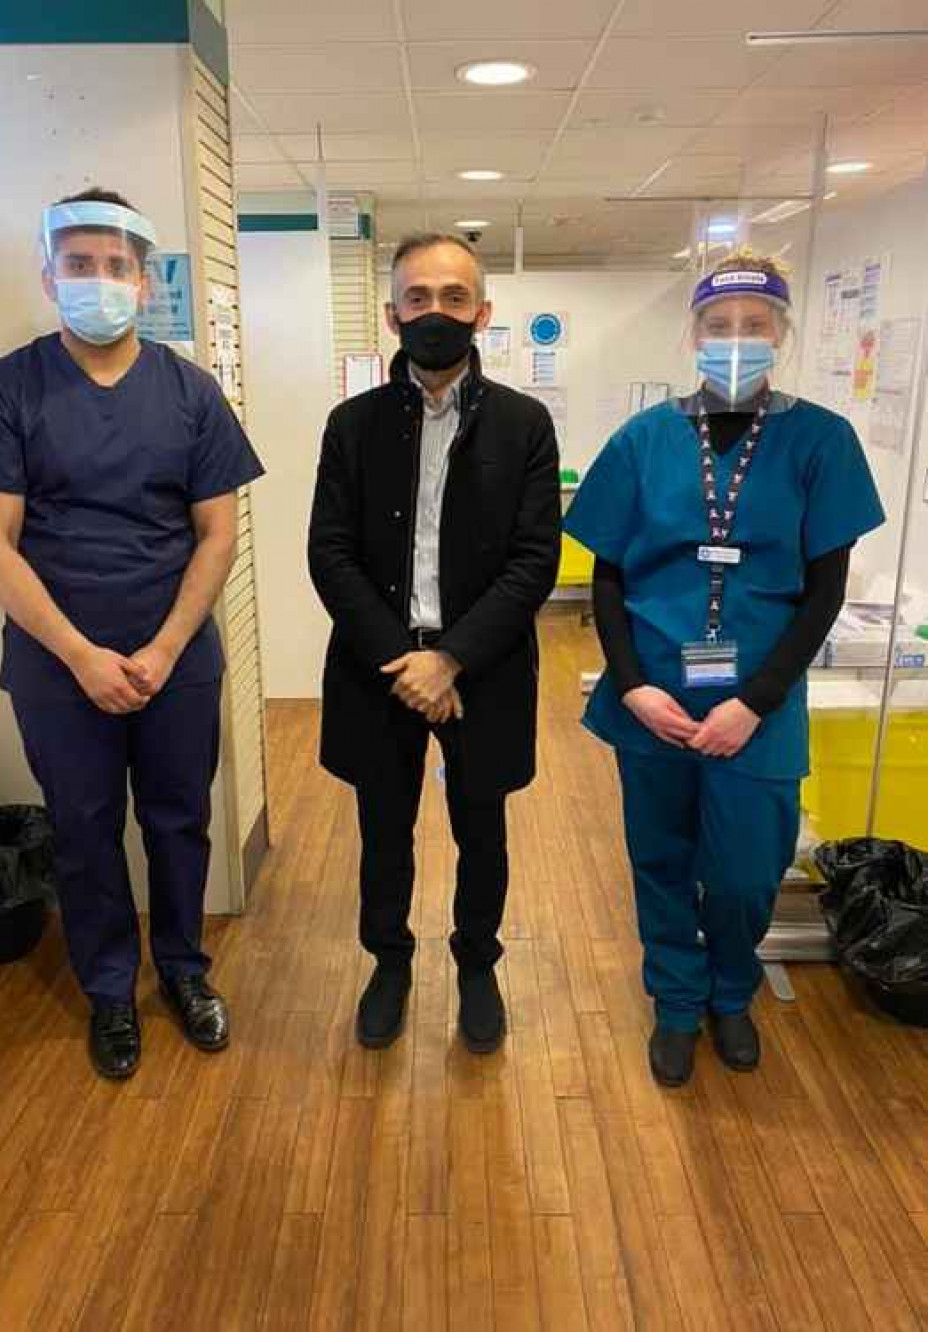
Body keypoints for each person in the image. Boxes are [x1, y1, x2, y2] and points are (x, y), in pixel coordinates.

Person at [0, 188, 265, 1079]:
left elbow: (218, 534)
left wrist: (161, 650)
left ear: (145, 280)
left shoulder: (190, 393)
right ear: (49, 274)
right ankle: (110, 992)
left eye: (117, 266)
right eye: (79, 264)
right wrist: (82, 656)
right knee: (84, 830)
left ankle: (186, 973)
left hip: (178, 659)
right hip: (56, 667)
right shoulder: (8, 389)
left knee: (179, 822)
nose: (98, 281)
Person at [564, 249, 885, 1087]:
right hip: (657, 695)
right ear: (693, 335)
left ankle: (731, 992)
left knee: (746, 873)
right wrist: (631, 684)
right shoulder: (645, 440)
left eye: (753, 327)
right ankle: (676, 1001)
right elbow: (608, 573)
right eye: (718, 327)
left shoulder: (821, 440)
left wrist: (759, 699)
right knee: (661, 860)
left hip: (761, 703)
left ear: (780, 334)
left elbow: (825, 589)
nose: (735, 341)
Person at [308, 233, 561, 1054]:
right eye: (418, 298)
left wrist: (449, 658)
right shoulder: (352, 425)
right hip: (378, 666)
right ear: (392, 314)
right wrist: (404, 661)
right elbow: (330, 552)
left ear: (482, 313)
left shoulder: (526, 424)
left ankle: (477, 964)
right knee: (384, 830)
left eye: (454, 298)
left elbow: (534, 561)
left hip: (478, 670)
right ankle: (389, 963)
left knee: (479, 827)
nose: (435, 313)